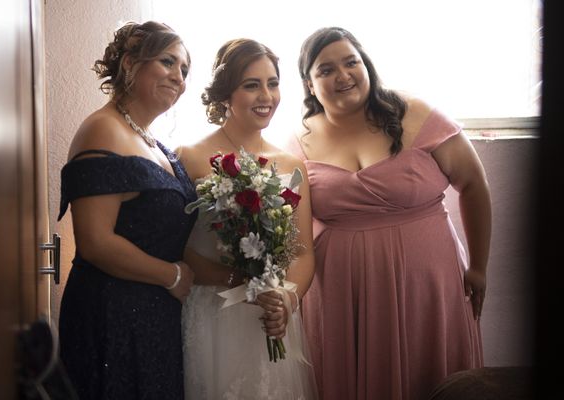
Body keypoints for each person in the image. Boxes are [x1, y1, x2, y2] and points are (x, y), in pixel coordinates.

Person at [285, 26, 492, 400]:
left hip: (429, 283)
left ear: (367, 65)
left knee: (432, 373)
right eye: (326, 70)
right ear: (309, 85)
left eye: (351, 62)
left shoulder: (415, 114)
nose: (343, 75)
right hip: (342, 291)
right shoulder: (298, 141)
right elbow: (294, 226)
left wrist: (479, 265)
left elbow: (474, 184)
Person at [56, 21, 198, 399]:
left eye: (184, 69)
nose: (178, 77)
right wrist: (172, 276)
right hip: (111, 314)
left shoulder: (152, 141)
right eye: (168, 61)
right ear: (131, 63)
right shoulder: (102, 130)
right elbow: (95, 242)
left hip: (154, 314)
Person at [177, 38, 319, 399]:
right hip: (213, 310)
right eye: (251, 85)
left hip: (269, 314)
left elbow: (302, 252)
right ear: (226, 93)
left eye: (272, 83)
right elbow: (176, 245)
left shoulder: (290, 165)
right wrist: (237, 278)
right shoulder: (190, 157)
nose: (266, 96)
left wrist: (286, 300)